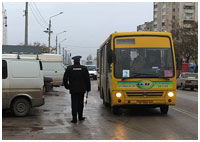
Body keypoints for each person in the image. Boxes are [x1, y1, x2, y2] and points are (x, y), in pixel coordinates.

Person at [63, 55, 91, 123]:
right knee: (80, 103)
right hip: (81, 89)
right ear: (79, 60)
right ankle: (80, 117)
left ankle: (74, 119)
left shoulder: (69, 68)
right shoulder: (84, 68)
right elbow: (87, 79)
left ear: (73, 61)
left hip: (73, 89)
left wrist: (67, 86)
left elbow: (65, 79)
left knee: (74, 104)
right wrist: (88, 88)